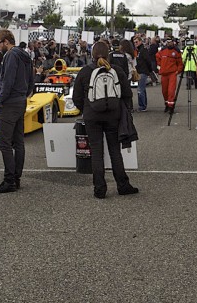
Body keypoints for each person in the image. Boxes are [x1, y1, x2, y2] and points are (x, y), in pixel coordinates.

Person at [71, 40, 139, 199]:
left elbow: (77, 97)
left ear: (92, 55)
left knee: (96, 152)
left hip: (92, 115)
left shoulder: (85, 71)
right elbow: (127, 93)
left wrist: (86, 109)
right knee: (115, 150)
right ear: (108, 53)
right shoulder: (116, 70)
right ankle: (123, 185)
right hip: (112, 115)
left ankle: (99, 188)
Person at [0, 29, 31, 194]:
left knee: (4, 143)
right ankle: (16, 178)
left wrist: (1, 98)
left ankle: (9, 180)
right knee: (18, 142)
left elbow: (8, 79)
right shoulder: (24, 54)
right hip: (20, 100)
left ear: (5, 41)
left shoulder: (11, 55)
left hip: (9, 102)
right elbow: (31, 78)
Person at [155, 37, 182, 115]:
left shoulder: (176, 52)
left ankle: (171, 106)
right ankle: (167, 104)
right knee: (164, 91)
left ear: (173, 42)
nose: (169, 43)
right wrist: (161, 65)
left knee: (171, 90)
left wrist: (178, 71)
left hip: (172, 73)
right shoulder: (163, 51)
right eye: (168, 42)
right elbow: (157, 57)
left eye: (170, 42)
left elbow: (180, 63)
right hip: (164, 73)